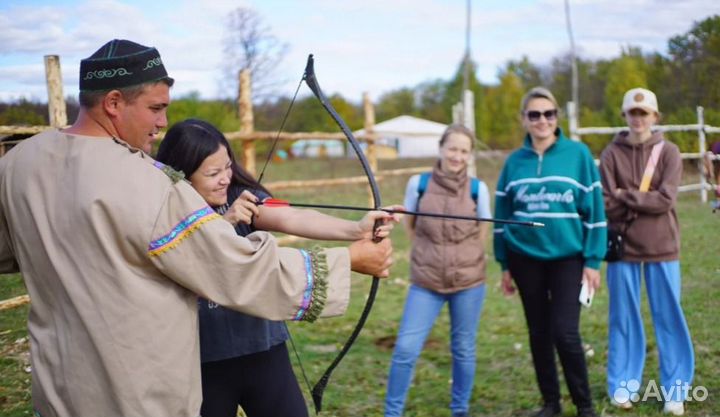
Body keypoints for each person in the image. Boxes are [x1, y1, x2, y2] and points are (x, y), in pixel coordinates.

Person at [0, 39, 394, 417]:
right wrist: (351, 260)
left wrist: (350, 230)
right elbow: (238, 269)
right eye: (155, 108)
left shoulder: (20, 162)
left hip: (61, 392)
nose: (162, 123)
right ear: (114, 102)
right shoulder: (147, 182)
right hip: (135, 395)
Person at [156, 119, 401, 417]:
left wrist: (356, 229)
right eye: (212, 173)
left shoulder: (237, 196)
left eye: (227, 167)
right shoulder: (167, 212)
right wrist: (223, 225)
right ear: (183, 175)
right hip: (203, 359)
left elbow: (291, 218)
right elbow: (185, 256)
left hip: (263, 346)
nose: (224, 178)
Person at [494, 87, 606, 417]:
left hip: (567, 258)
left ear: (557, 117)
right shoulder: (514, 162)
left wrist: (593, 260)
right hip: (524, 258)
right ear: (524, 120)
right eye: (534, 114)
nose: (542, 120)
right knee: (539, 332)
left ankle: (584, 406)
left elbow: (595, 210)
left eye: (548, 114)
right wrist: (504, 263)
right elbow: (502, 216)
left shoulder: (578, 154)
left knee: (565, 332)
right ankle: (551, 403)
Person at [384, 124, 491, 417]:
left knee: (464, 349)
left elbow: (483, 227)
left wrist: (464, 256)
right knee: (405, 349)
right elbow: (410, 222)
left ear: (469, 155)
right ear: (441, 148)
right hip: (426, 281)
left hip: (469, 282)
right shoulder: (418, 184)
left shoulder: (477, 188)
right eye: (452, 148)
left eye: (464, 151)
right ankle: (392, 413)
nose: (457, 156)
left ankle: (460, 410)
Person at [599, 87, 694, 416]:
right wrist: (635, 198)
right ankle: (623, 385)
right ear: (624, 115)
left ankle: (675, 391)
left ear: (655, 116)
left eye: (644, 113)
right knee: (622, 318)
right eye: (632, 113)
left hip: (662, 246)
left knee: (669, 317)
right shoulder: (611, 154)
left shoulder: (669, 152)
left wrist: (625, 194)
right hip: (623, 247)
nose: (638, 119)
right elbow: (606, 203)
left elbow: (666, 199)